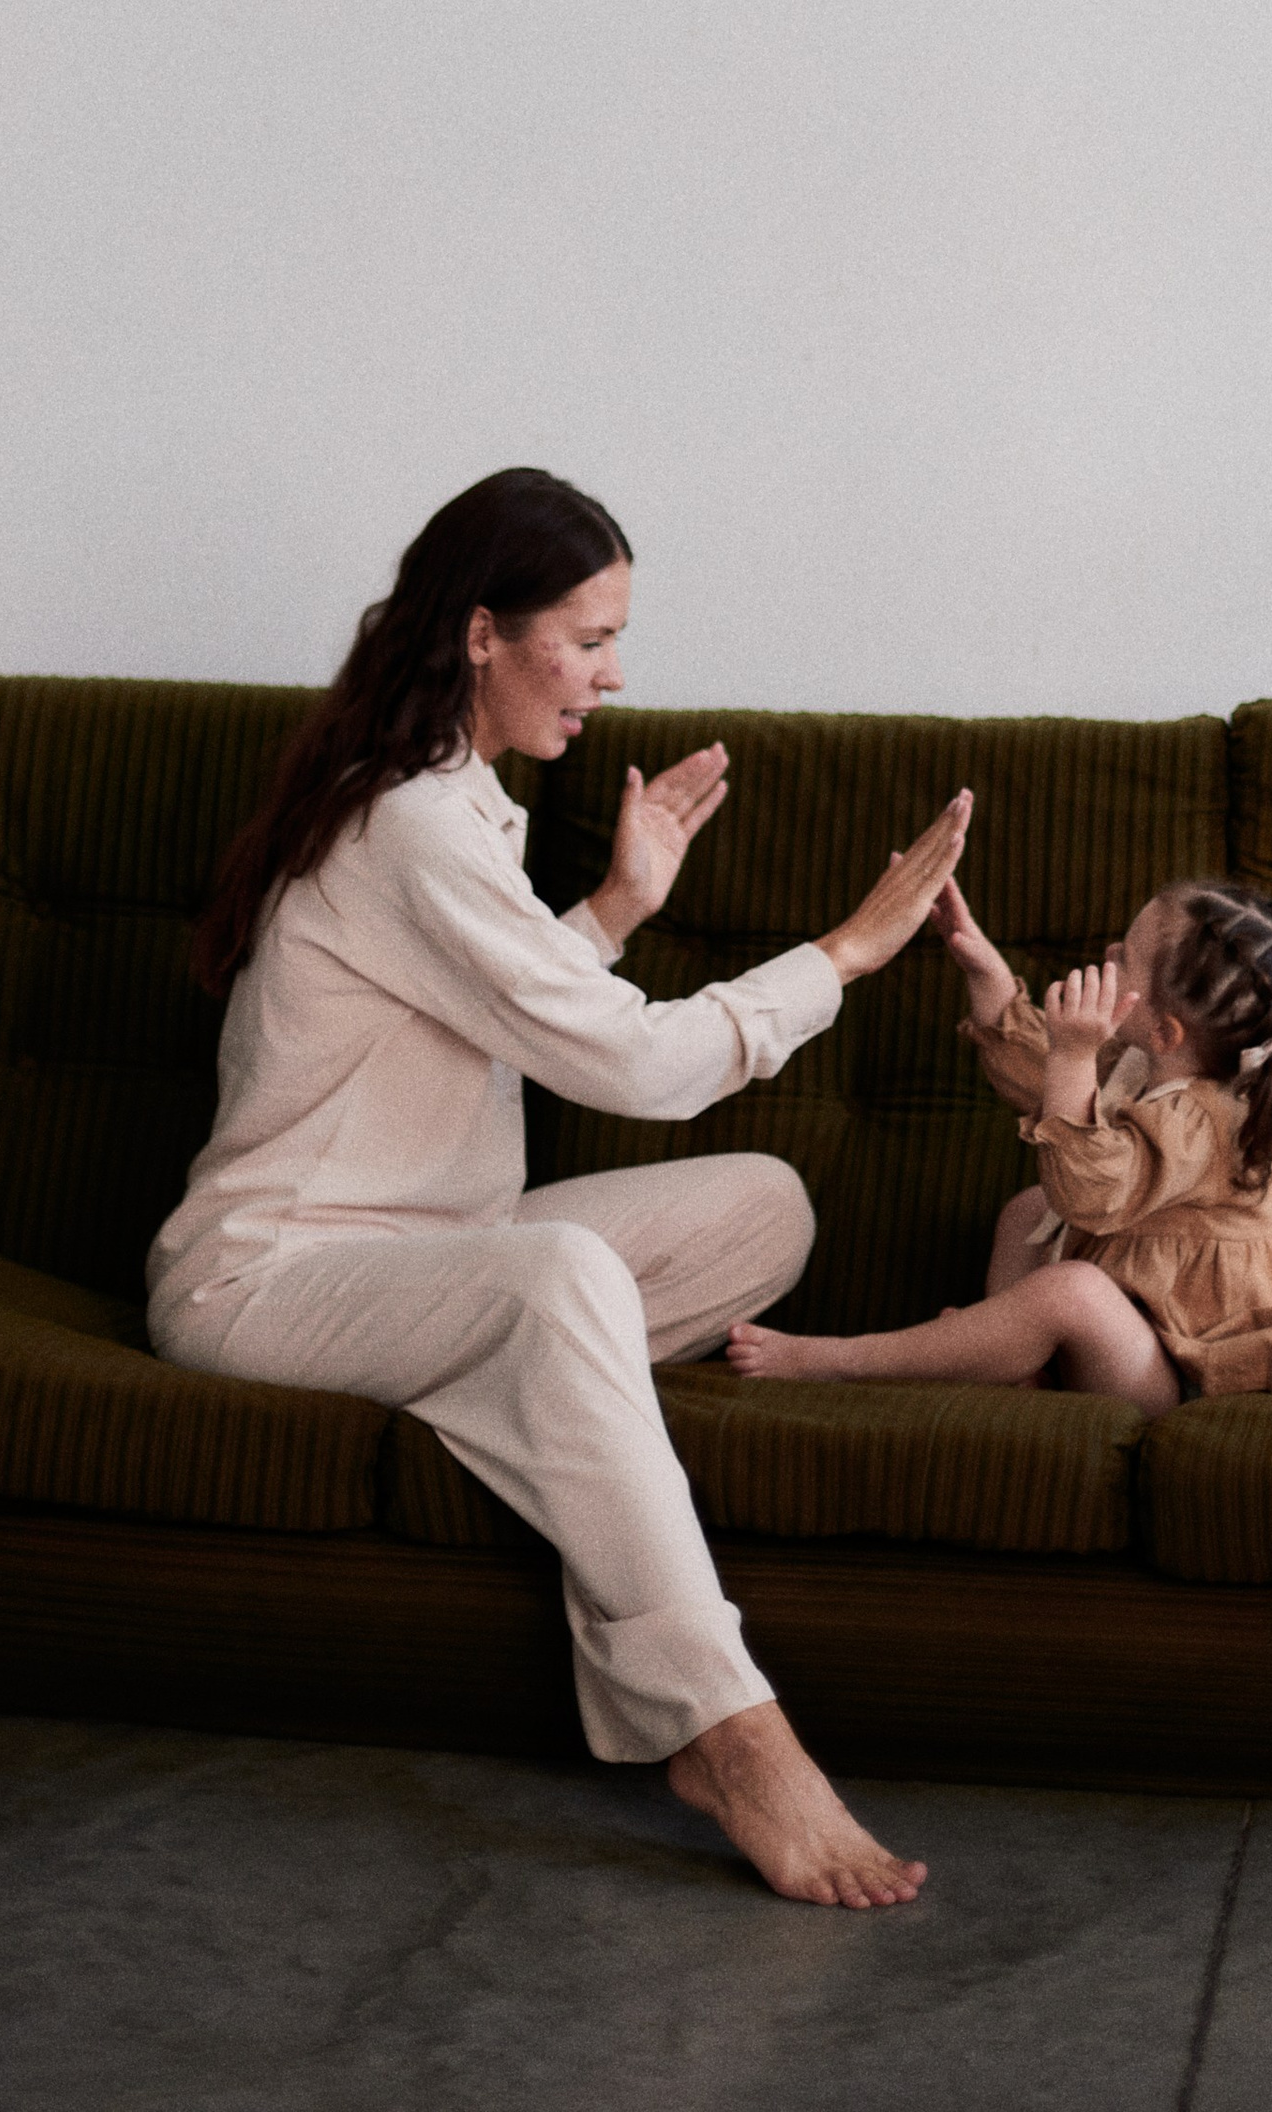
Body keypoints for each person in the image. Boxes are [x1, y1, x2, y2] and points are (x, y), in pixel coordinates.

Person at [147, 467, 967, 1910]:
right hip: (266, 1280)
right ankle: (731, 1731)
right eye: (586, 638)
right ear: (482, 634)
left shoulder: (459, 809)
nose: (611, 672)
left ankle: (506, 1382)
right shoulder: (407, 824)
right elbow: (633, 1068)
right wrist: (840, 957)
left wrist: (618, 910)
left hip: (432, 1254)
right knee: (565, 1282)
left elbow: (486, 1013)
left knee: (766, 1204)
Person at [724, 873, 1272, 1409]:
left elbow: (1090, 1193)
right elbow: (1043, 1072)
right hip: (1146, 1336)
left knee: (1072, 1289)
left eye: (1125, 959)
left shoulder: (1204, 1123)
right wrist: (984, 967)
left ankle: (840, 1360)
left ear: (1167, 1032)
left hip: (1195, 1373)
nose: (1109, 952)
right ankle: (998, 1354)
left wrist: (1077, 1056)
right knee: (1028, 1208)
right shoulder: (1149, 1062)